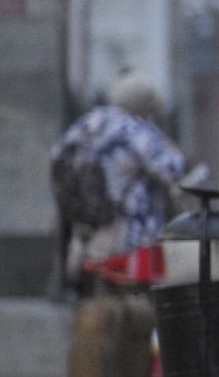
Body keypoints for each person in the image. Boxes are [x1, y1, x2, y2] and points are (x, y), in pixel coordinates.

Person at [52, 72, 203, 287]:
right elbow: (175, 169)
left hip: (86, 231)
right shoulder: (134, 130)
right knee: (137, 304)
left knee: (96, 304)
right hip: (128, 235)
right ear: (145, 106)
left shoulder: (87, 123)